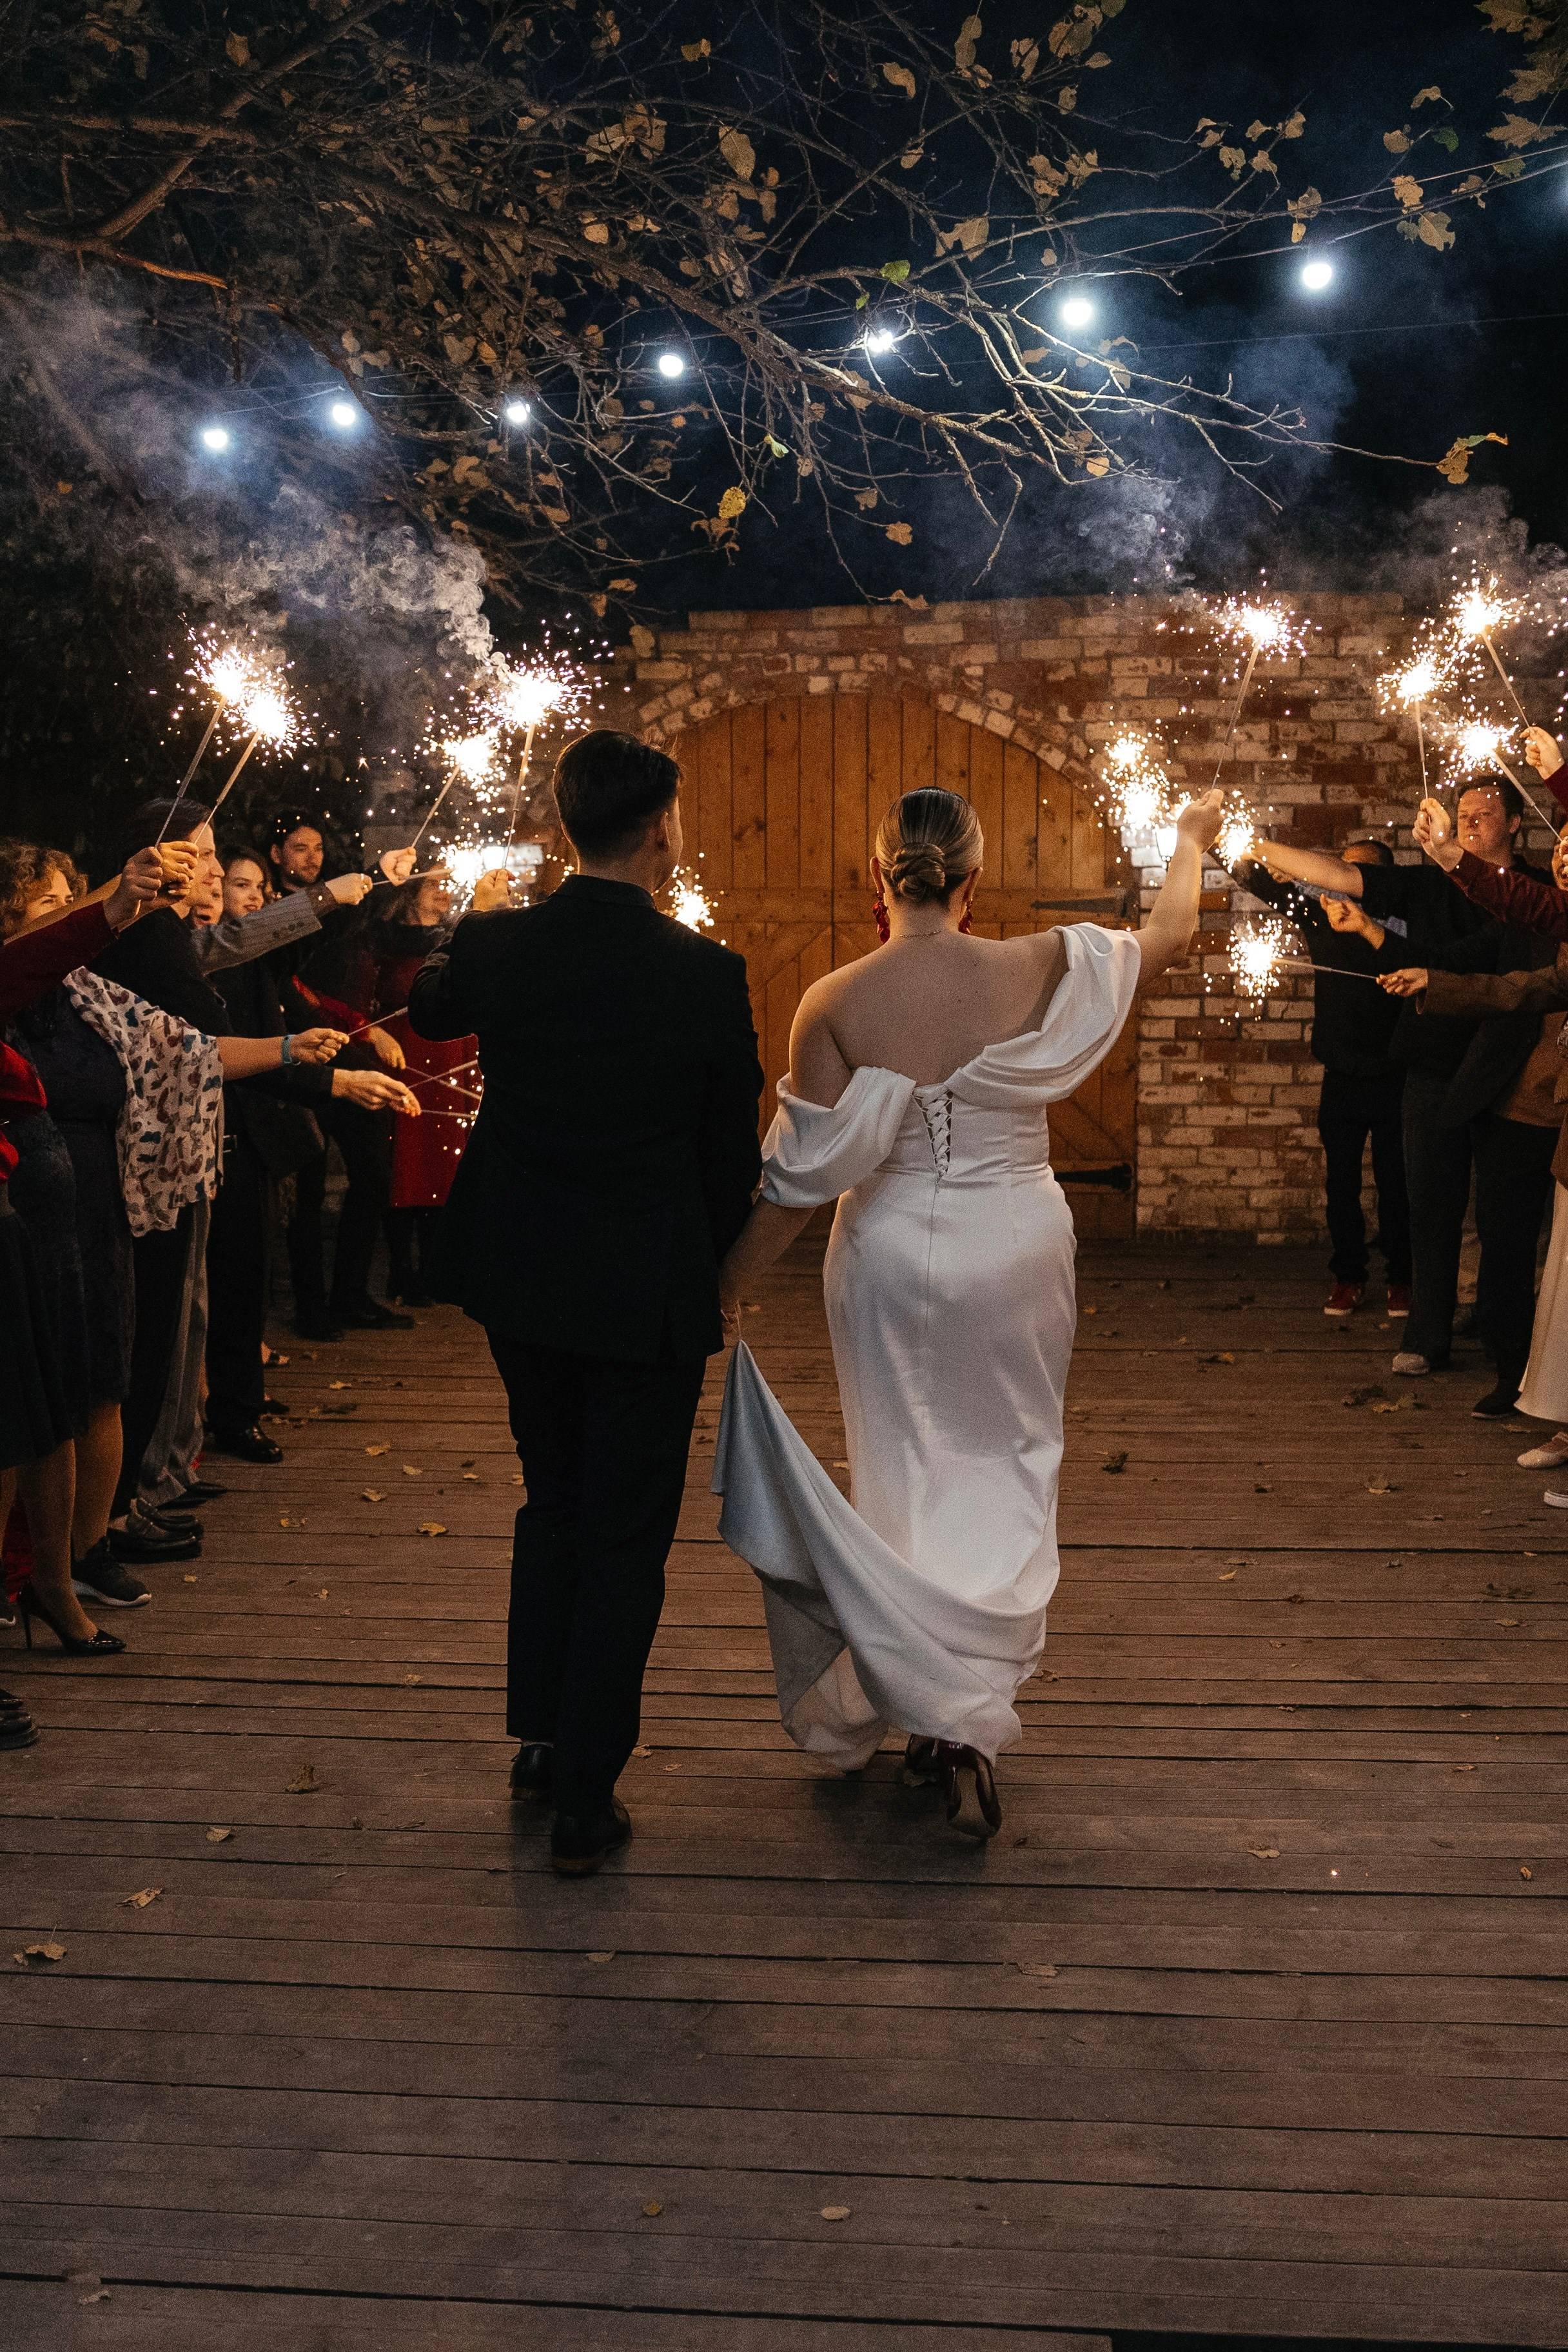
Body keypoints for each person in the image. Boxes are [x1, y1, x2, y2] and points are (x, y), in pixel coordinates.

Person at [709, 783, 1225, 1841]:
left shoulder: (833, 1001)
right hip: (1017, 1246)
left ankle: (928, 1702)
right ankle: (965, 1721)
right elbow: (1172, 933)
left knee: (902, 1475)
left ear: (879, 878)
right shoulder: (1047, 965)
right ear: (973, 881)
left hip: (890, 1254)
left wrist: (726, 1285)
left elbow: (800, 1182)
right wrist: (1188, 838)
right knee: (1009, 1464)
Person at [408, 730, 763, 1877]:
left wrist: (466, 925)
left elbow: (429, 1009)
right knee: (623, 1530)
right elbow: (729, 1153)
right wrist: (722, 1275)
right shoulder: (705, 974)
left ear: (566, 825)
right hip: (645, 1285)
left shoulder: (498, 944)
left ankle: (545, 1737)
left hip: (521, 1274)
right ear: (659, 827)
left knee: (552, 1497)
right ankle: (583, 1793)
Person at [89, 801, 348, 1535]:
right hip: (155, 1155)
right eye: (201, 855)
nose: (211, 869)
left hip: (183, 1150)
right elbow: (196, 1045)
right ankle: (120, 1506)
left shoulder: (166, 934)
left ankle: (159, 1477)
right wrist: (295, 1054)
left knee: (184, 1320)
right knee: (156, 1329)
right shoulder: (144, 934)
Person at [1254, 781, 1548, 1382]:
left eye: (1486, 814)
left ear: (1516, 824)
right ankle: (1428, 1336)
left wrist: (1379, 938)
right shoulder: (1427, 885)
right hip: (1434, 1062)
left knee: (1504, 1220)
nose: (1471, 823)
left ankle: (1508, 1348)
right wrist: (1252, 845)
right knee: (1431, 1208)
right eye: (1463, 815)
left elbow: (1475, 967)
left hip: (1509, 1067)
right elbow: (1342, 876)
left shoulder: (1535, 892)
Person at [1, 841, 177, 1657]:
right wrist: (109, 905)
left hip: (41, 1207)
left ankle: (55, 1578)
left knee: (46, 1412)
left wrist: (115, 905)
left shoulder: (77, 990)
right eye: (50, 902)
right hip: (28, 1209)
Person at [1382, 939, 1568, 1496]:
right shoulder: (1537, 926)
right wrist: (1431, 980)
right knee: (1509, 1247)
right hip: (1519, 1112)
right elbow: (1518, 988)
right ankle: (1518, 1381)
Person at [1229, 837, 1411, 1317]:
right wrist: (1219, 837)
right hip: (1342, 1074)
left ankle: (1402, 1279)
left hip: (1398, 1075)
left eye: (1355, 875)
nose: (1340, 884)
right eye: (1337, 871)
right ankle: (1348, 1276)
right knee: (1341, 1184)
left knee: (1397, 1183)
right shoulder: (1319, 914)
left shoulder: (1407, 926)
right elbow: (1253, 878)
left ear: (1382, 882)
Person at [324, 868, 474, 1306]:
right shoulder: (384, 941)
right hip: (405, 1057)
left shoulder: (457, 937)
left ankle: (433, 1268)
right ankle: (401, 1270)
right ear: (411, 893)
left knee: (445, 1164)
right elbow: (366, 1001)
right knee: (407, 1161)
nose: (445, 891)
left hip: (452, 1059)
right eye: (434, 884)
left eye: (449, 883)